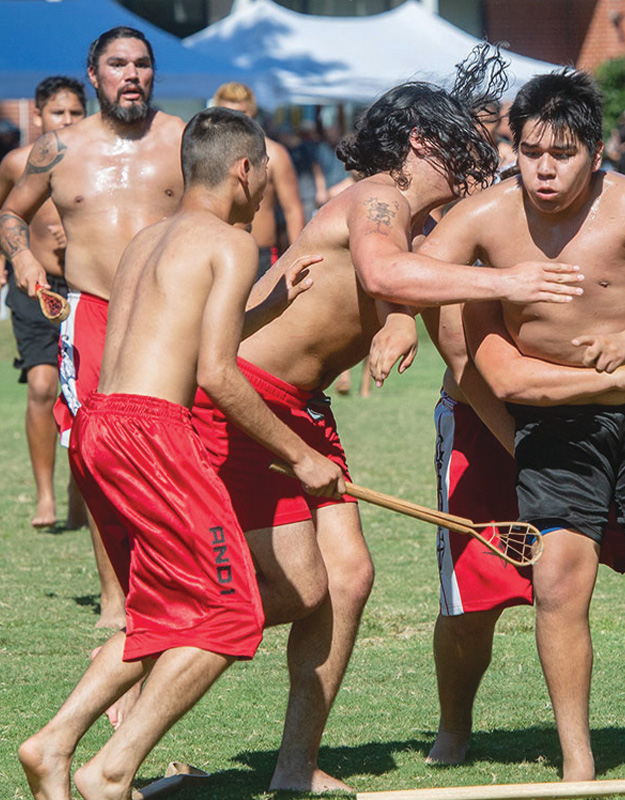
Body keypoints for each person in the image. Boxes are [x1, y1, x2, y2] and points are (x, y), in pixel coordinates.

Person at [188, 47, 585, 793]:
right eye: (462, 142)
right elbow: (382, 268)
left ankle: (295, 766)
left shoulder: (407, 220)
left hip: (303, 406)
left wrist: (402, 318)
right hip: (245, 398)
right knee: (289, 590)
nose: (477, 159)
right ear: (420, 142)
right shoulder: (378, 198)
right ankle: (158, 646)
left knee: (348, 579)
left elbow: (414, 294)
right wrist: (508, 280)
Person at [17, 105, 344, 800]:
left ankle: (53, 744)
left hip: (101, 425)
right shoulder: (231, 243)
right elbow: (217, 375)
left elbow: (174, 338)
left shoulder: (149, 238)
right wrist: (302, 456)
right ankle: (110, 771)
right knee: (231, 614)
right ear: (244, 170)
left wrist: (269, 310)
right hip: (154, 436)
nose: (265, 190)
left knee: (165, 609)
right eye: (265, 174)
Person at [417, 69, 625, 782]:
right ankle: (577, 758)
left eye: (563, 154)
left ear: (597, 152)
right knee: (556, 582)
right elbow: (408, 273)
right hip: (554, 420)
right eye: (530, 152)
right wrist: (398, 323)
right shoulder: (488, 216)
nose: (544, 169)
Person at [413, 267, 625, 766]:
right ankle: (454, 728)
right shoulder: (463, 248)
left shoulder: (603, 238)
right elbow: (468, 362)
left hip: (598, 425)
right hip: (492, 426)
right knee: (474, 602)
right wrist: (526, 451)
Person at [0, 26, 186, 629]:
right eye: (118, 64)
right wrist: (22, 258)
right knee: (98, 458)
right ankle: (114, 596)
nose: (131, 75)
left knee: (178, 451)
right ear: (93, 74)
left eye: (142, 64)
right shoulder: (59, 149)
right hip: (92, 312)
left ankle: (179, 581)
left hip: (169, 310)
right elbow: (11, 212)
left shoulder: (184, 140)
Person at [0, 76, 86, 528]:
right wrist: (9, 257)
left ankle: (79, 492)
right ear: (37, 115)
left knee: (86, 396)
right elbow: (5, 213)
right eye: (58, 112)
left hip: (85, 287)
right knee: (41, 386)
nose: (67, 120)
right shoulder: (17, 163)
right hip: (34, 288)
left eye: (75, 112)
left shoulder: (95, 160)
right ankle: (45, 497)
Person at [212, 82, 306, 276]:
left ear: (252, 113)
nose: (235, 121)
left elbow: (292, 210)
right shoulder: (208, 155)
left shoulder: (275, 154)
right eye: (228, 114)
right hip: (217, 252)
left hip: (262, 255)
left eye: (241, 114)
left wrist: (297, 259)